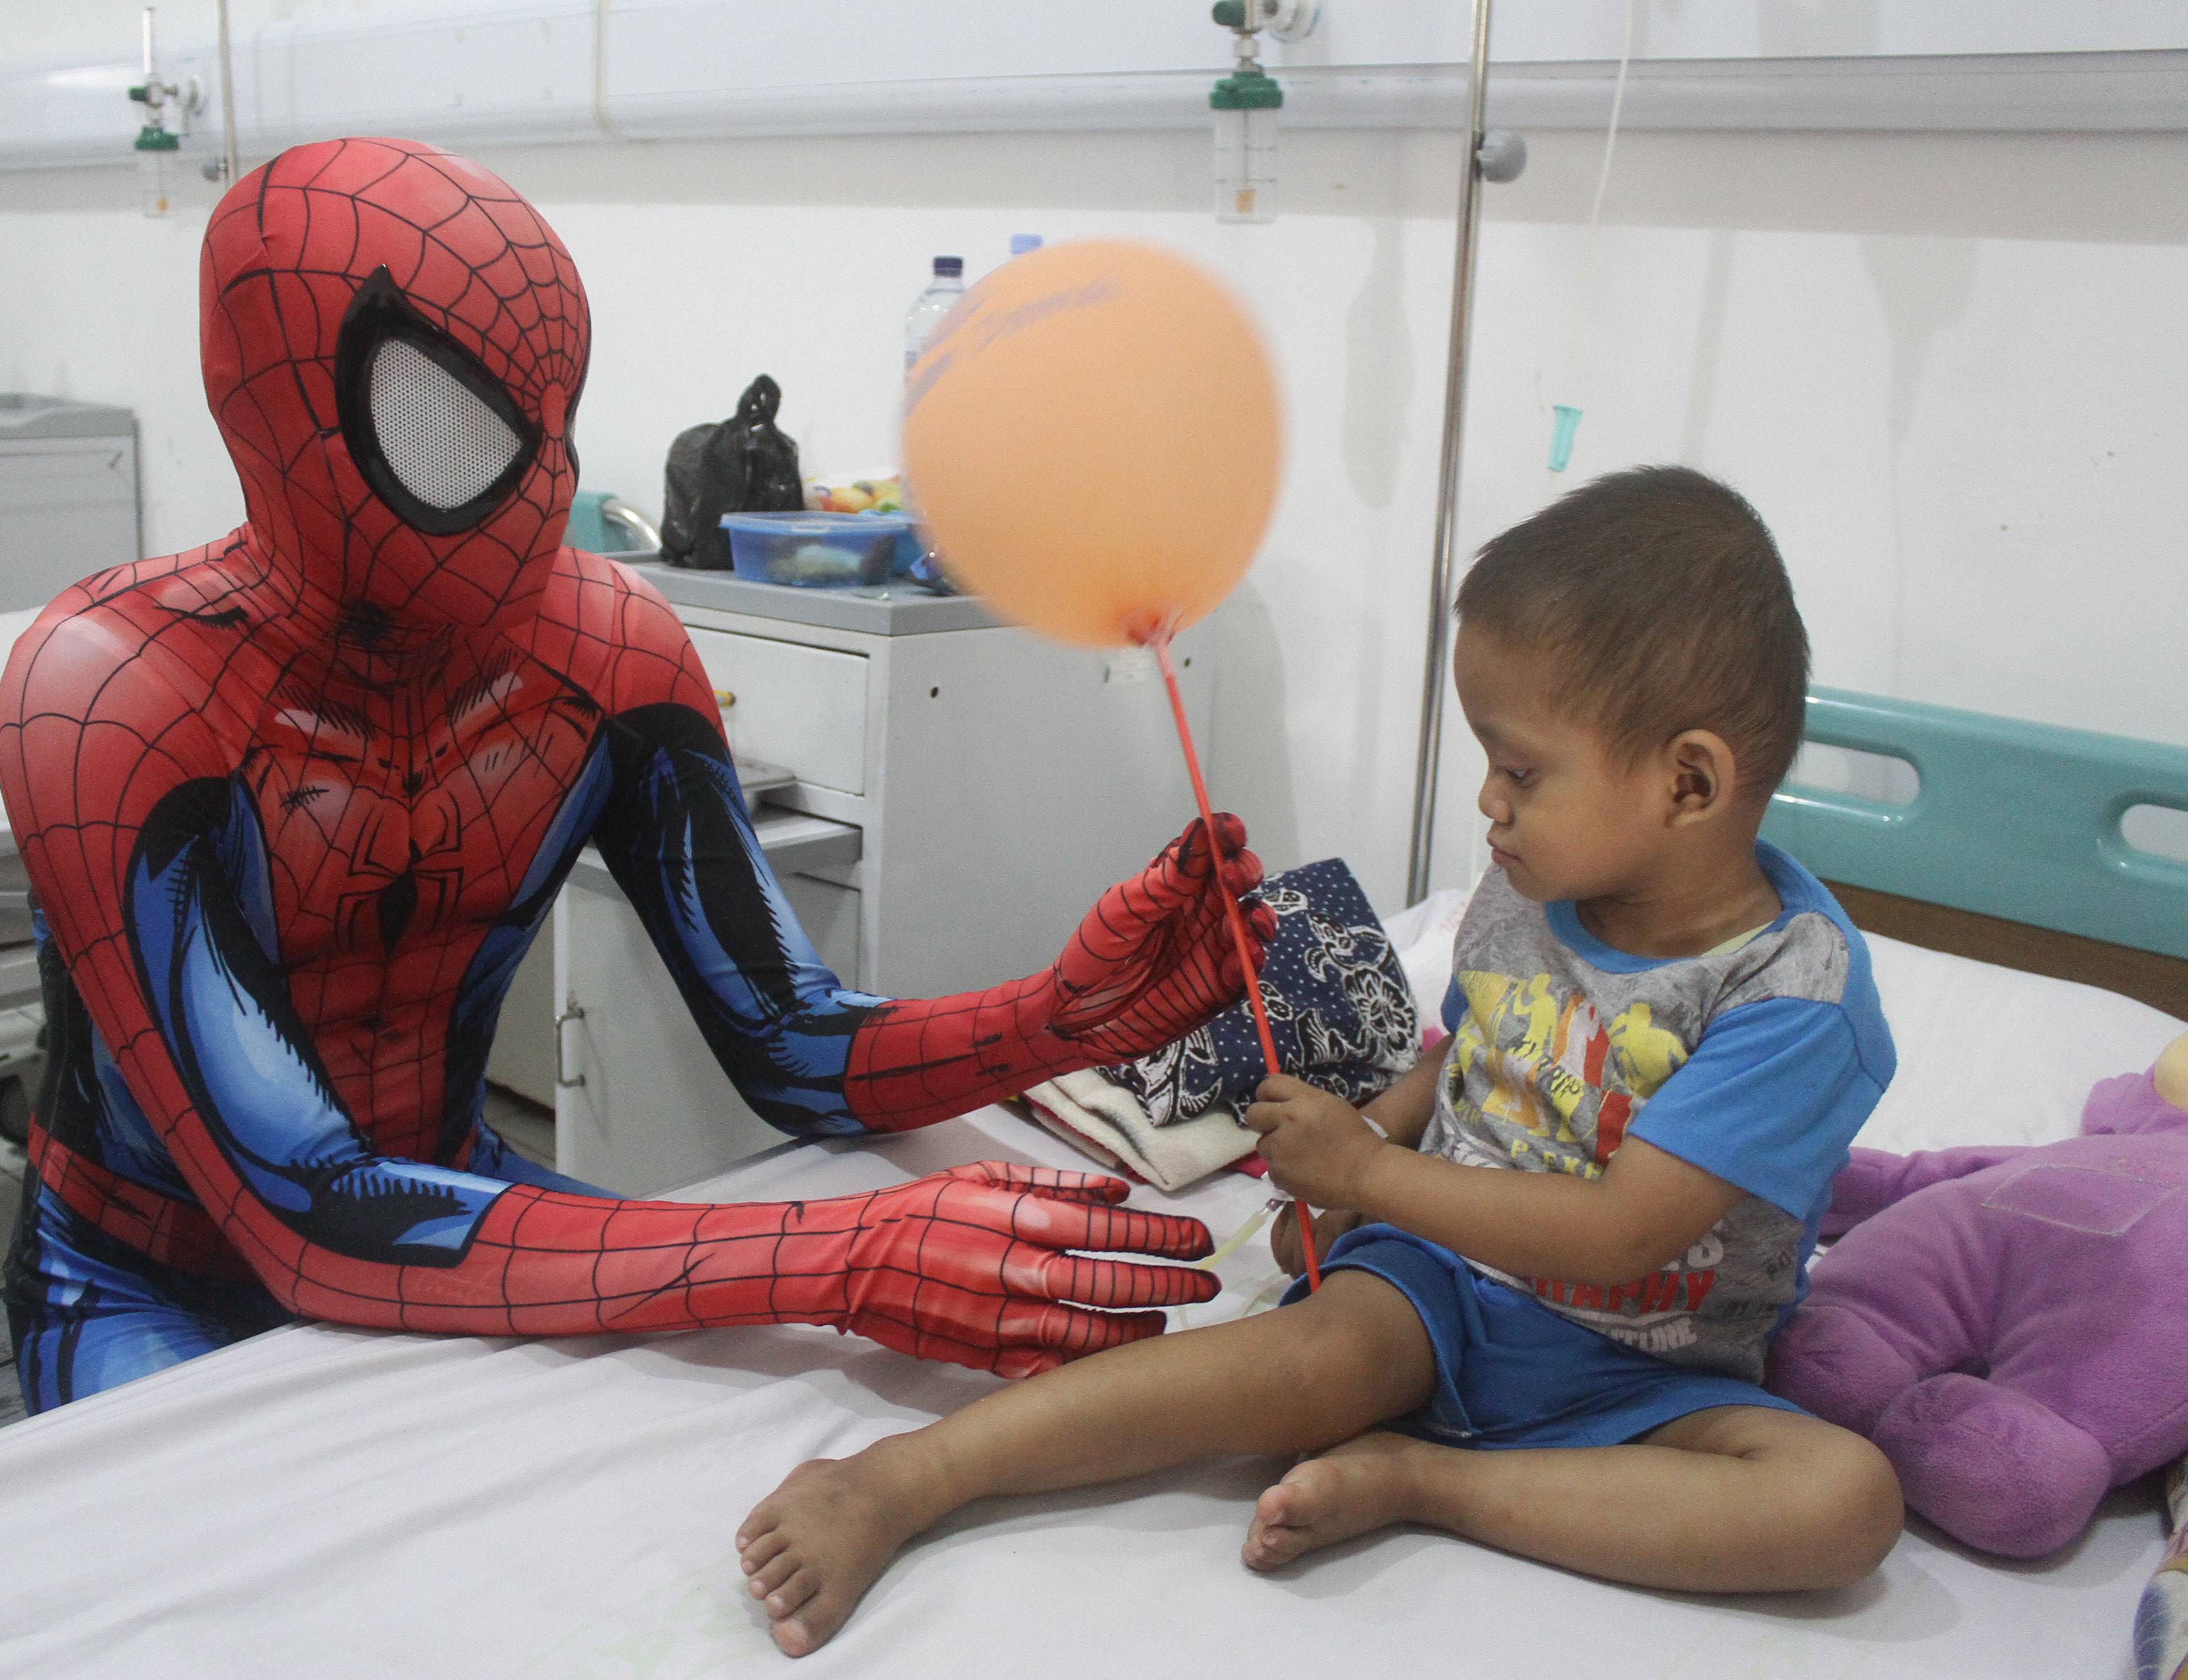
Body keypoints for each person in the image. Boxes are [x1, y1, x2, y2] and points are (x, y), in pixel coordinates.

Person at [0, 137, 1273, 1411]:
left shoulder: (603, 651)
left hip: (462, 1201)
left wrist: (1053, 1017)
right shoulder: (116, 692)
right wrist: (828, 1250)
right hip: (144, 1273)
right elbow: (307, 1214)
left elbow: (793, 1045)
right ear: (271, 408)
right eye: (449, 427)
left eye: (553, 418)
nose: (541, 492)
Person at [735, 465, 1905, 1657]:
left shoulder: (1794, 1002)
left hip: (1651, 1373)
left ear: (1688, 782)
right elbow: (1476, 1061)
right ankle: (909, 1475)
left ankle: (1424, 1482)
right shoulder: (1532, 890)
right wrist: (1379, 1135)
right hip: (1447, 1290)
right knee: (1312, 1359)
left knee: (1843, 1505)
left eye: (1523, 770)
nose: (1490, 805)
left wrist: (1370, 1175)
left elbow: (1622, 1233)